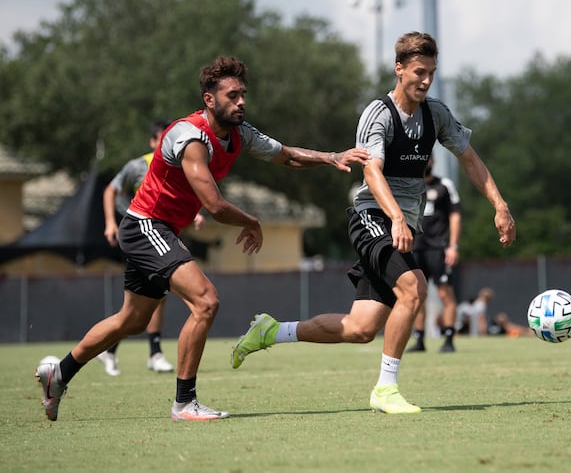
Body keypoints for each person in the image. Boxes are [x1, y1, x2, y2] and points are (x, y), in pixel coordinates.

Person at [34, 55, 370, 422]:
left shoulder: (240, 134)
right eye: (232, 95)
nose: (241, 101)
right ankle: (184, 403)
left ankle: (60, 373)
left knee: (130, 321)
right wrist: (251, 221)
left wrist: (331, 156)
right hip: (146, 225)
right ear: (210, 100)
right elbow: (213, 204)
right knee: (206, 301)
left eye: (243, 94)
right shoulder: (190, 137)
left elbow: (286, 156)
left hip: (159, 230)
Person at [231, 32, 516, 414]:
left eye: (431, 72)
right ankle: (385, 389)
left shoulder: (437, 115)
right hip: (372, 217)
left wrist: (499, 204)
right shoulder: (378, 114)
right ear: (399, 69)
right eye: (419, 72)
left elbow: (470, 159)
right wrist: (396, 217)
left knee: (360, 328)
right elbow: (372, 173)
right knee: (414, 290)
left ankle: (271, 330)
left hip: (402, 225)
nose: (426, 80)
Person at [97, 120, 204, 376]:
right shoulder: (138, 166)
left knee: (141, 305)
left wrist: (195, 213)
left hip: (161, 235)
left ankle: (110, 350)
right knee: (157, 293)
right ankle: (154, 353)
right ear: (153, 142)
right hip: (141, 235)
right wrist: (111, 223)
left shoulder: (178, 166)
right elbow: (110, 191)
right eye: (161, 139)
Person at [406, 157, 462, 353]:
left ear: (433, 160)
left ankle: (448, 339)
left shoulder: (444, 185)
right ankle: (419, 339)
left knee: (445, 293)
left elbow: (455, 215)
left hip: (438, 248)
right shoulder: (409, 186)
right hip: (415, 248)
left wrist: (453, 246)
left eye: (427, 158)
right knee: (417, 295)